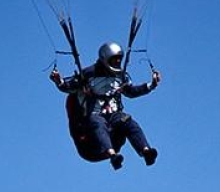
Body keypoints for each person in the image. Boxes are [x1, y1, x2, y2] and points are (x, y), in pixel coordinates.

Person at [50, 41, 162, 169]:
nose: (117, 63)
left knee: (128, 121)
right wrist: (59, 81)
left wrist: (151, 85)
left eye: (119, 60)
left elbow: (131, 91)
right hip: (93, 123)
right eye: (114, 60)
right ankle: (112, 155)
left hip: (114, 118)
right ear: (105, 59)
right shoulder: (88, 74)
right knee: (98, 123)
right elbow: (69, 87)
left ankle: (146, 151)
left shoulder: (120, 76)